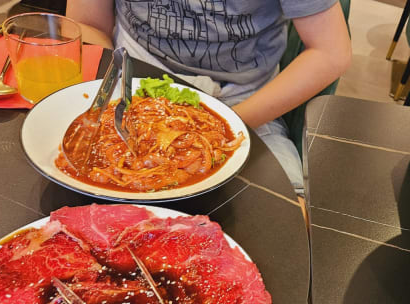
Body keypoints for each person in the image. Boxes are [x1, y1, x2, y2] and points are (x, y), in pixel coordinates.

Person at [66, 0, 352, 194]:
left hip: (245, 108)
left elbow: (330, 52)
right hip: (128, 89)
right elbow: (88, 25)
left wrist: (223, 126)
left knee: (286, 212)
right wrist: (103, 97)